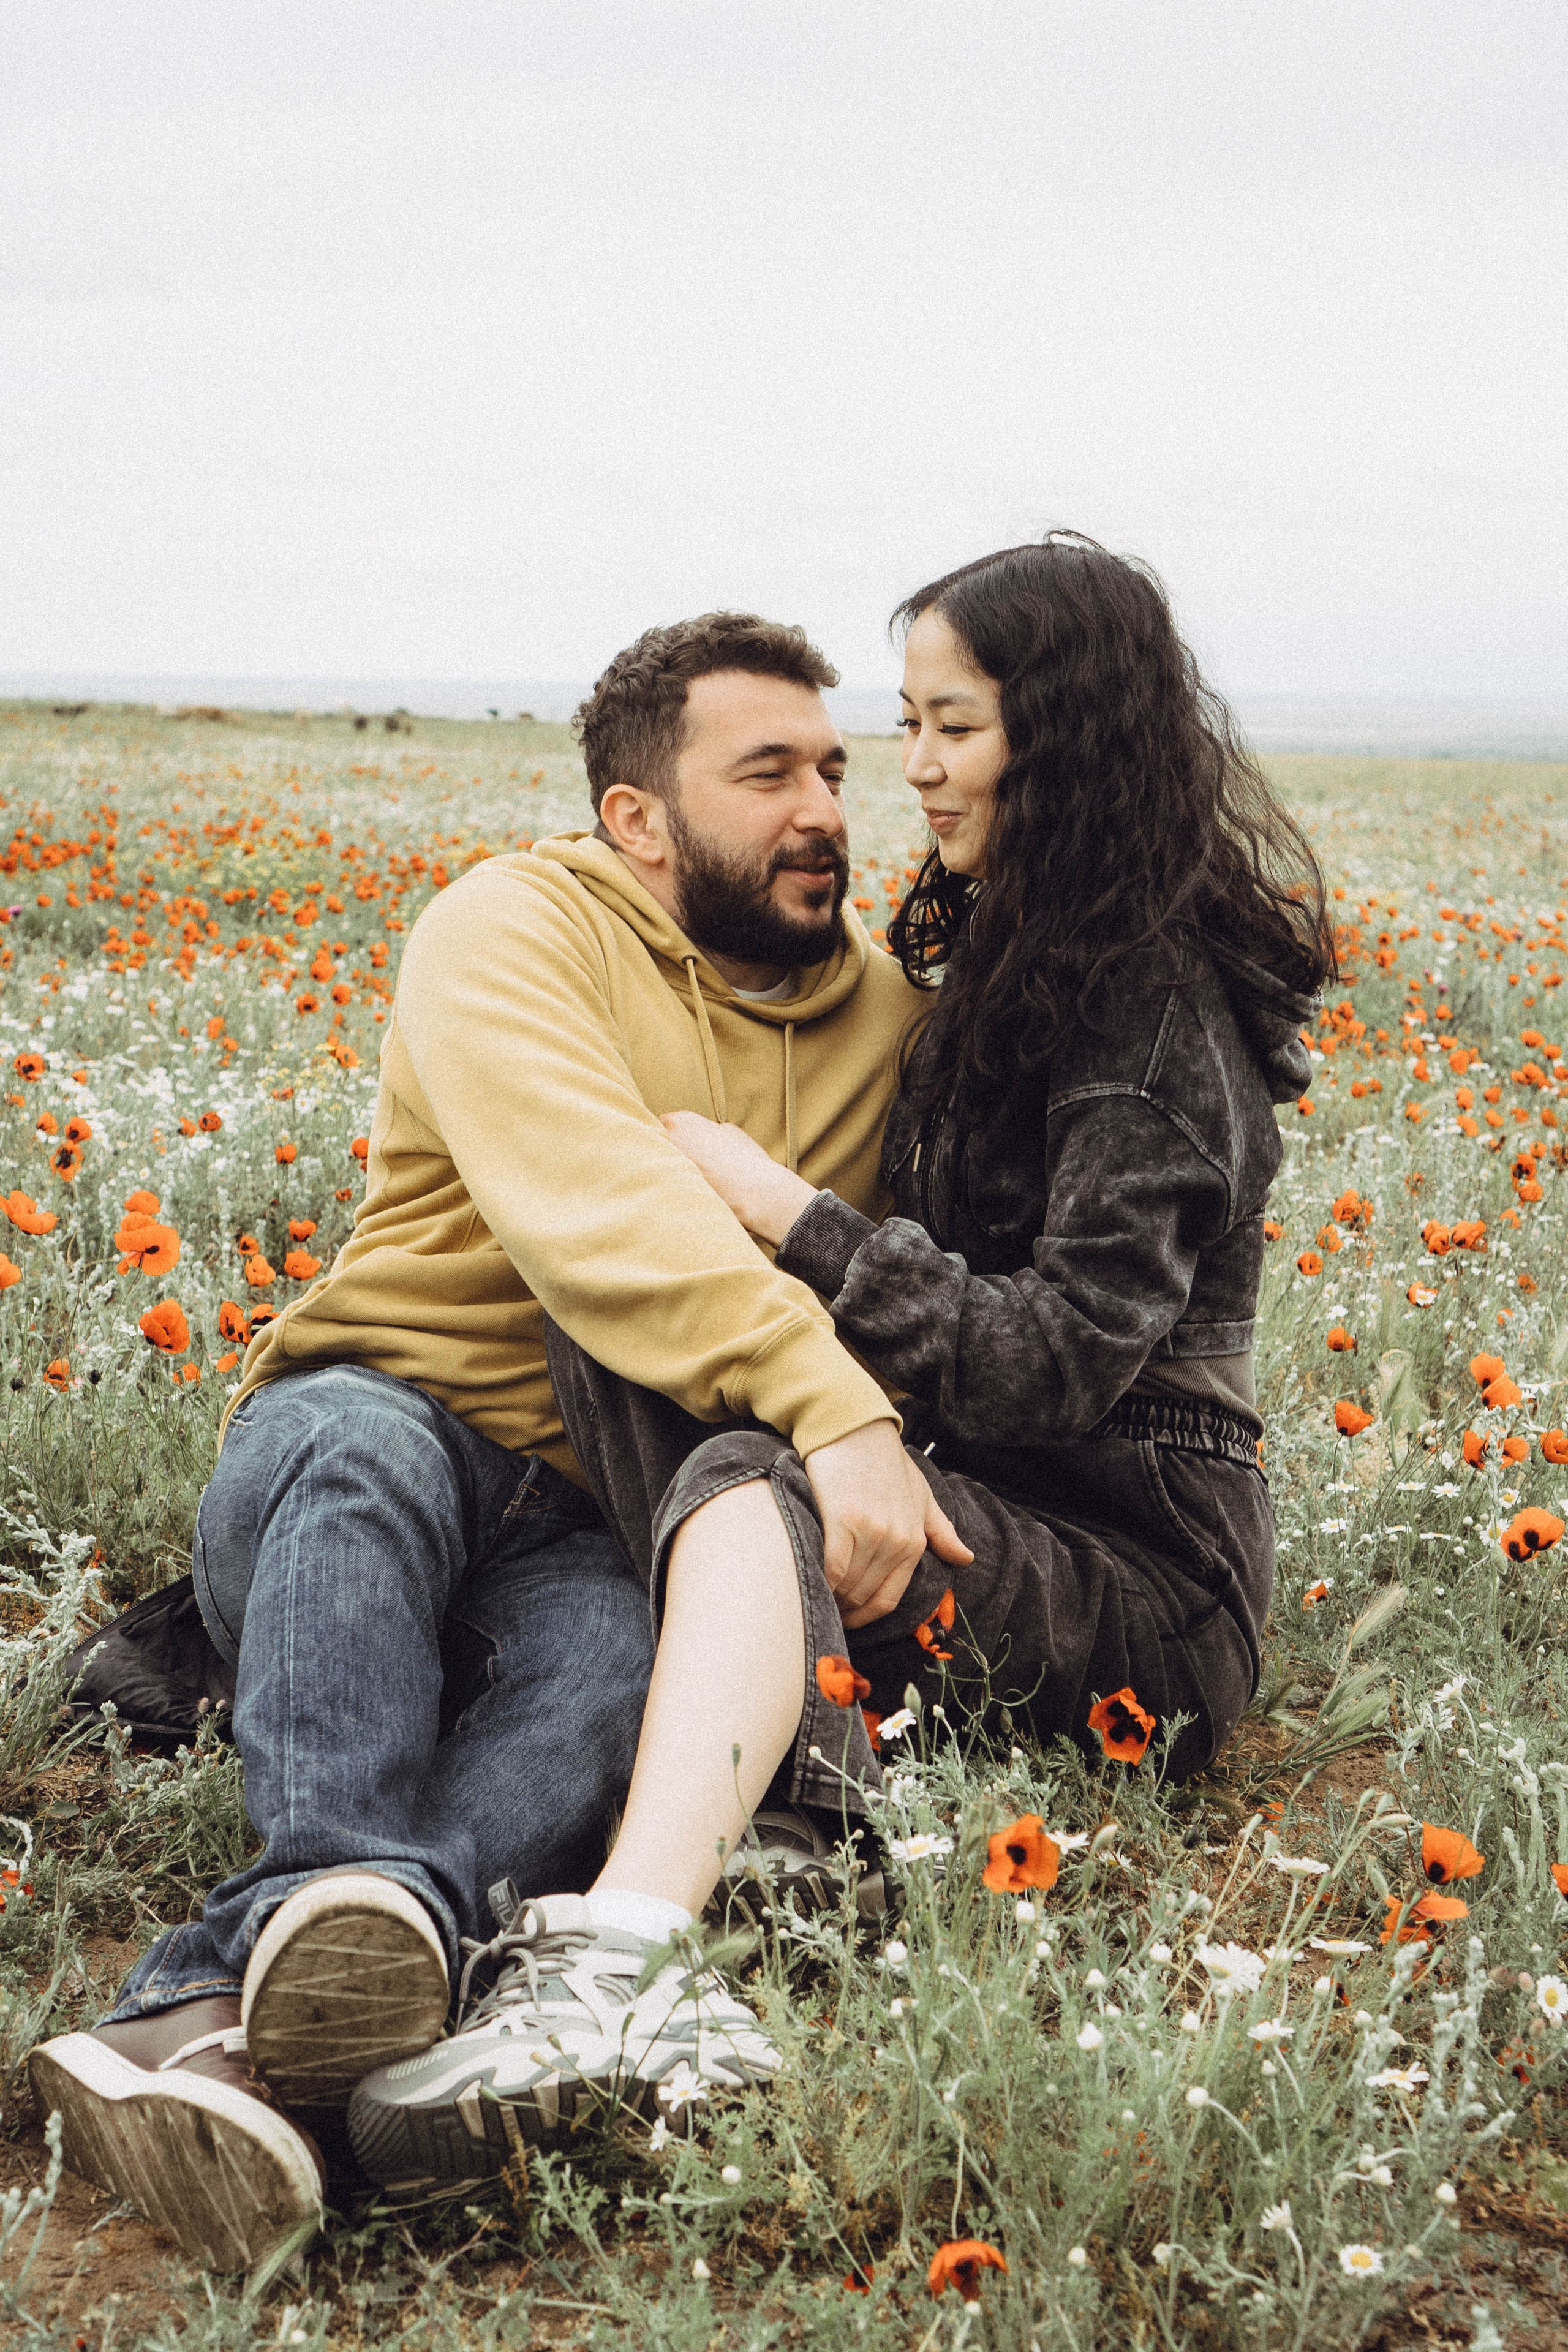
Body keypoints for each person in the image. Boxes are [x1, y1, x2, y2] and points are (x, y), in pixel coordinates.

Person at [344, 535, 1335, 2187]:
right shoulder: (1011, 966)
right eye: (912, 726)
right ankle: (775, 1851)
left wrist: (790, 1213)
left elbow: (1058, 1370)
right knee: (651, 1304)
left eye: (956, 726)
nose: (915, 771)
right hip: (985, 1515)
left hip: (1141, 1584)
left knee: (749, 1457)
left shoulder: (1150, 1006)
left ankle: (635, 1960)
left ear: (1066, 734)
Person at [29, 612, 950, 2269]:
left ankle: (226, 2031)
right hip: (386, 1411)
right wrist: (836, 1407)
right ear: (637, 819)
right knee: (359, 1478)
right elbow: (605, 1215)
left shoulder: (885, 1020)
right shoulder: (510, 926)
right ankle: (285, 1941)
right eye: (768, 774)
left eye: (834, 766)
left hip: (604, 1507)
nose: (824, 806)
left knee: (615, 1684)